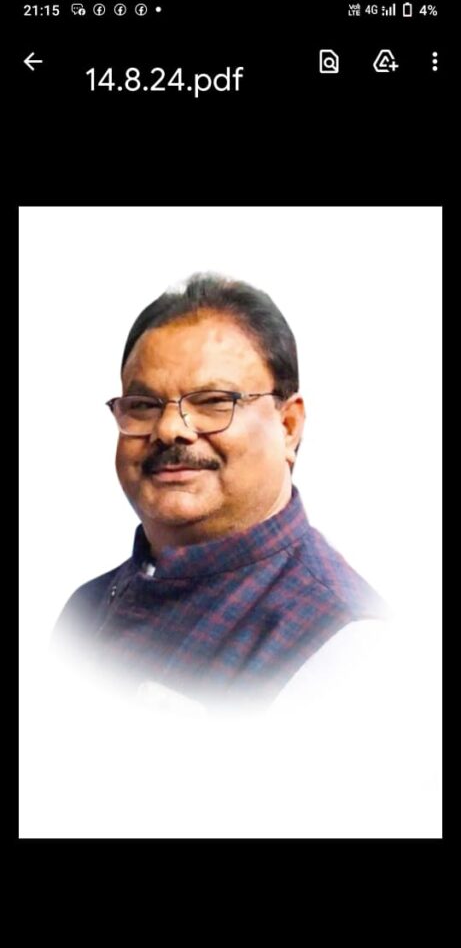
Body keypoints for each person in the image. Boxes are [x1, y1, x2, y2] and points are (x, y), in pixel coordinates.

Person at [53, 273, 389, 711]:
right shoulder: (85, 611)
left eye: (213, 401)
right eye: (143, 406)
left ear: (288, 427)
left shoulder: (347, 646)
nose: (169, 428)